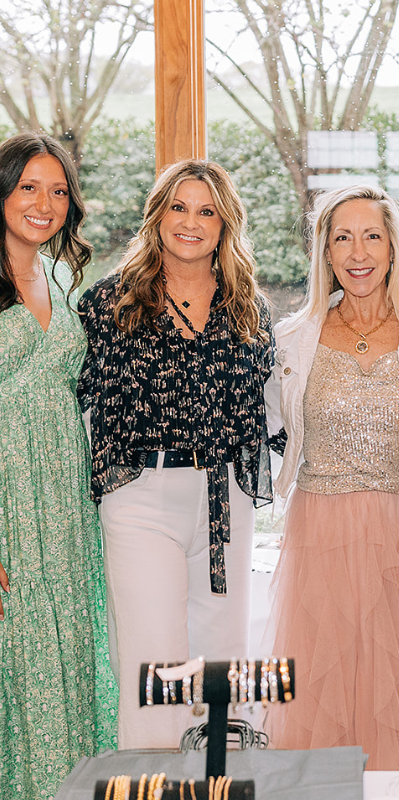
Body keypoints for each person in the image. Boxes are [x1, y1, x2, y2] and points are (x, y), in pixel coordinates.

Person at [263, 185, 399, 770]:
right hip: (320, 530)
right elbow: (272, 424)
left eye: (371, 235)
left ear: (393, 247)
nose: (358, 251)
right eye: (342, 237)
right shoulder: (291, 339)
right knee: (325, 689)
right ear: (325, 252)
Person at [78, 159, 274, 748]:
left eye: (207, 210)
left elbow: (266, 410)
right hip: (141, 496)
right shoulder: (109, 304)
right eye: (179, 207)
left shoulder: (248, 307)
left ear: (225, 224)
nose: (191, 222)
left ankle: (220, 776)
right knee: (152, 661)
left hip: (223, 501)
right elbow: (76, 402)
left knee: (222, 660)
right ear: (157, 214)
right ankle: (152, 777)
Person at [0, 132, 117, 797]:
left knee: (71, 663)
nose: (44, 204)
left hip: (68, 514)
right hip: (9, 507)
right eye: (28, 187)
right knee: (19, 672)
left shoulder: (58, 275)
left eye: (59, 190)